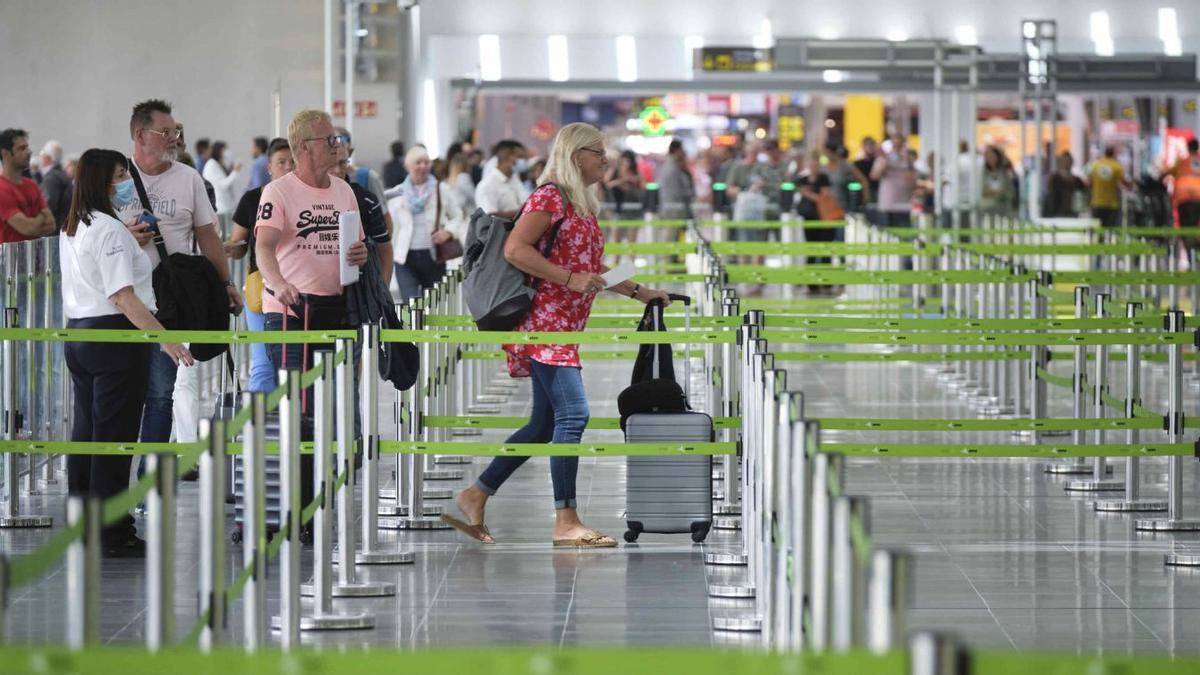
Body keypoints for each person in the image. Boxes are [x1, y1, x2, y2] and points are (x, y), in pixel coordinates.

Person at [443, 123, 673, 548]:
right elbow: (516, 250)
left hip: (565, 326)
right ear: (574, 155)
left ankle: (476, 494)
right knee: (574, 415)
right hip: (544, 326)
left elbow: (594, 269)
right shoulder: (550, 196)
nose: (605, 160)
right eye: (597, 153)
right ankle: (565, 520)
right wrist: (567, 278)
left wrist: (641, 292)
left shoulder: (583, 204)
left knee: (543, 423)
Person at [60, 148, 193, 557]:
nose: (126, 183)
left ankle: (84, 522)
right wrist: (164, 338)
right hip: (114, 339)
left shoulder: (76, 225)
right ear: (102, 182)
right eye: (120, 176)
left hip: (80, 334)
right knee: (115, 437)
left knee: (88, 435)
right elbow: (122, 296)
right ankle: (113, 529)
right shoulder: (108, 230)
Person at [118, 99, 240, 454]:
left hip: (168, 301)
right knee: (121, 394)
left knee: (160, 394)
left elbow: (208, 237)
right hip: (120, 299)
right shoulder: (116, 177)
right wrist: (125, 233)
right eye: (166, 132)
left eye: (176, 132)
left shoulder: (189, 179)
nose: (174, 138)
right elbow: (90, 229)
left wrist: (226, 284)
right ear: (141, 135)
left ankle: (150, 483)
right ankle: (113, 480)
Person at [255, 109, 368, 373]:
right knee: (298, 401)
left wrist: (361, 253)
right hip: (289, 310)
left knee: (341, 401)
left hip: (338, 308)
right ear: (305, 148)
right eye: (329, 139)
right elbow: (263, 246)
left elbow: (359, 243)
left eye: (336, 139)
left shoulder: (344, 190)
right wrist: (278, 282)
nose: (336, 145)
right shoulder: (277, 192)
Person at [227, 138, 294, 392]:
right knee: (263, 361)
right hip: (261, 288)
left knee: (294, 362)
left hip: (300, 287)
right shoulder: (253, 199)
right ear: (269, 167)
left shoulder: (307, 198)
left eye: (292, 162)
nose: (288, 167)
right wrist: (229, 248)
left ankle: (296, 422)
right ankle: (258, 424)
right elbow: (239, 243)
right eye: (281, 162)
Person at [386, 145, 465, 300]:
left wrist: (448, 232)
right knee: (410, 302)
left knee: (434, 302)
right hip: (404, 257)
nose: (422, 166)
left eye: (426, 162)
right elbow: (390, 224)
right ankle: (413, 326)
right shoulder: (398, 193)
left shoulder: (441, 189)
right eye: (418, 162)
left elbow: (457, 215)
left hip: (434, 255)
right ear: (408, 166)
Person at [330, 136, 394, 286]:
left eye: (343, 163)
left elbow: (385, 247)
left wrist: (382, 293)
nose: (338, 170)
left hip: (358, 292)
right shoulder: (306, 199)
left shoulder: (366, 200)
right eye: (332, 164)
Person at [0, 128, 56, 243]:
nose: (29, 152)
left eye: (27, 147)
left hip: (33, 257)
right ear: (5, 154)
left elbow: (51, 224)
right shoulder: (2, 188)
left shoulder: (31, 184)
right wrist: (41, 216)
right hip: (10, 259)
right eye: (22, 148)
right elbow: (27, 228)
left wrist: (32, 224)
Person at [870, 133, 916, 228]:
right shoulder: (883, 159)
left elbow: (913, 179)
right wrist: (886, 161)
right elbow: (874, 176)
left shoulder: (908, 160)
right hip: (888, 203)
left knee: (904, 232)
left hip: (904, 203)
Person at [475, 139, 528, 219]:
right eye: (520, 157)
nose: (524, 161)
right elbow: (488, 216)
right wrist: (521, 212)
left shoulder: (514, 180)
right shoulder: (488, 185)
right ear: (507, 157)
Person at [1087, 146, 1130, 227]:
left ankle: (1100, 239)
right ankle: (1109, 239)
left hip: (1097, 202)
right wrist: (1130, 186)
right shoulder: (1116, 166)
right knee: (1111, 227)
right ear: (1113, 154)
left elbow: (1089, 183)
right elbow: (1124, 183)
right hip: (1112, 203)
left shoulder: (1096, 165)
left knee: (1098, 228)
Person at [201, 141, 243, 218]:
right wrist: (235, 171)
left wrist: (232, 170)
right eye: (225, 149)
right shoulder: (212, 164)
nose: (227, 152)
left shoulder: (218, 163)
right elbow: (223, 185)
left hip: (227, 205)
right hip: (221, 206)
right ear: (219, 150)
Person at [37, 140, 73, 228]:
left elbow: (48, 205)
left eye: (42, 154)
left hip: (55, 230)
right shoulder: (62, 174)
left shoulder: (51, 178)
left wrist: (36, 224)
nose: (40, 156)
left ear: (48, 157)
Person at [656, 139, 694, 219]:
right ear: (677, 150)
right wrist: (689, 194)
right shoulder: (673, 168)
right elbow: (675, 191)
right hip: (674, 210)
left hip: (671, 208)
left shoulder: (669, 166)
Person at [1167, 138, 1200, 228]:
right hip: (1198, 197)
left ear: (1188, 148)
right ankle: (1194, 240)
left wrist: (1161, 176)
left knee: (1185, 224)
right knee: (1195, 224)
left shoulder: (1181, 162)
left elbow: (1168, 172)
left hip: (1183, 198)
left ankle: (1188, 241)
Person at [1043, 152, 1087, 218]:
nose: (1066, 163)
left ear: (1072, 163)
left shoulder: (1077, 180)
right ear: (1061, 162)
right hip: (1056, 213)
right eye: (1064, 161)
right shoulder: (1054, 179)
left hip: (1073, 213)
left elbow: (1082, 196)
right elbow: (1050, 195)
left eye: (1068, 161)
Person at [979, 146, 1015, 216]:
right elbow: (982, 190)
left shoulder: (1005, 172)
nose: (990, 158)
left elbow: (1009, 189)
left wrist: (999, 194)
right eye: (988, 156)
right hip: (986, 208)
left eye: (992, 155)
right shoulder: (982, 172)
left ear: (997, 156)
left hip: (1003, 207)